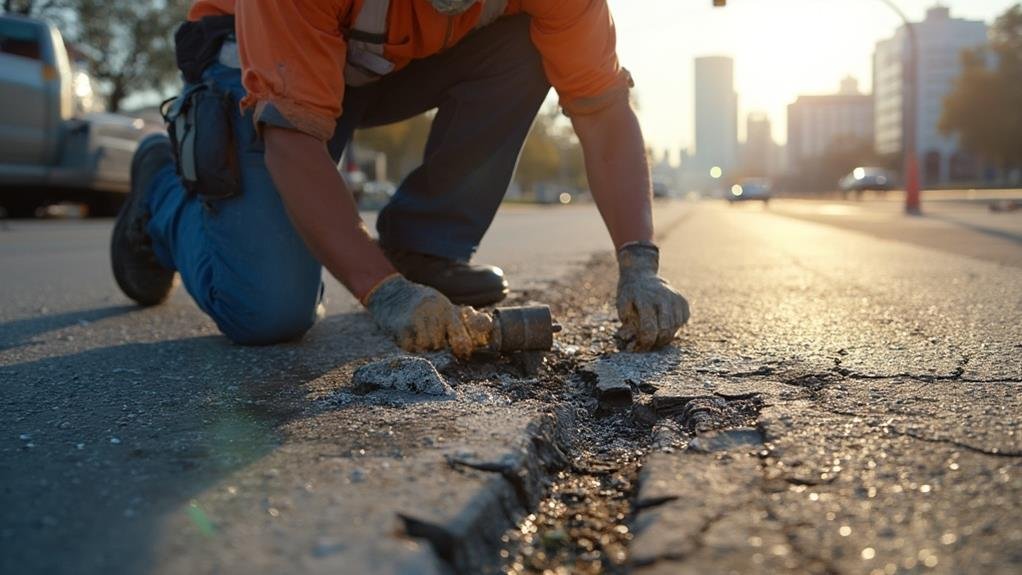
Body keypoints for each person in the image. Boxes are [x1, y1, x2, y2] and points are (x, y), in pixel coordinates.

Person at [111, 0, 689, 358]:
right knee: (268, 312)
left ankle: (421, 248)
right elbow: (292, 140)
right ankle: (161, 193)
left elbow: (602, 111)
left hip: (381, 64)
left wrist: (639, 265)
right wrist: (381, 293)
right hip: (261, 63)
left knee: (526, 49)